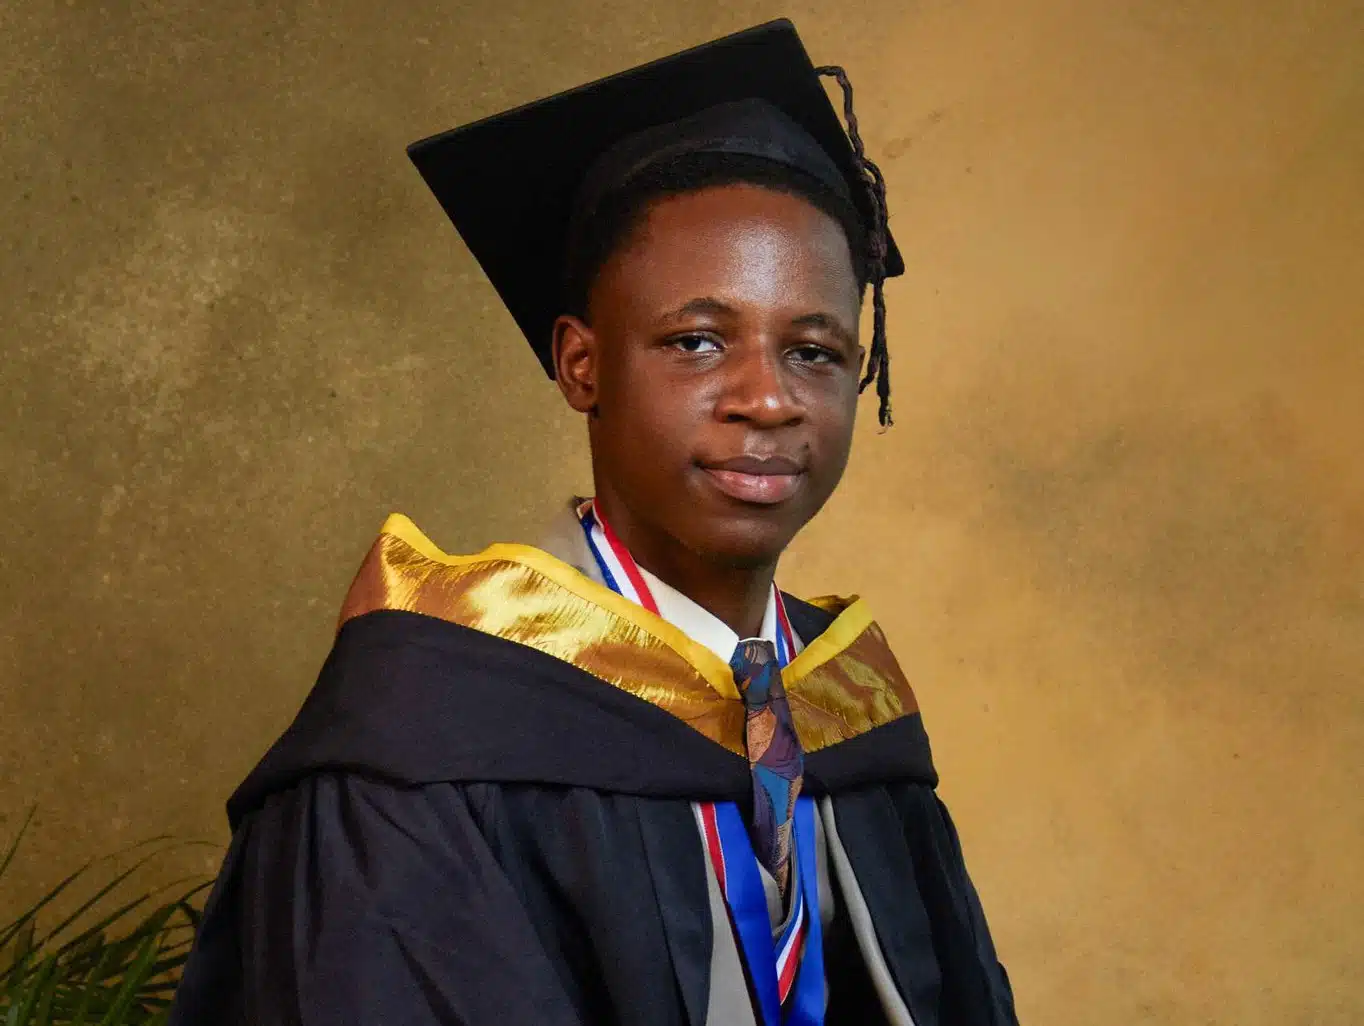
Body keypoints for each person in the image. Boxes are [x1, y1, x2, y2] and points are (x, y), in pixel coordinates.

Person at [169, 20, 1017, 1026]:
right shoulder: (431, 727)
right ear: (582, 365)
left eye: (815, 352)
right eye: (697, 342)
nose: (769, 398)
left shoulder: (849, 715)